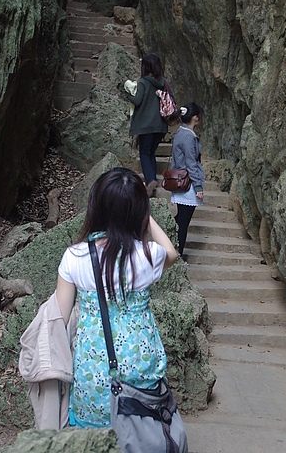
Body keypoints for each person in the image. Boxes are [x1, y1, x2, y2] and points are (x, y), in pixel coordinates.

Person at [56, 167, 178, 429]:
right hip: (141, 365)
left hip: (93, 369)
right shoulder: (148, 255)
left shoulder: (74, 257)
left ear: (96, 208)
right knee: (141, 429)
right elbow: (172, 253)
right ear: (139, 212)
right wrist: (146, 215)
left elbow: (60, 318)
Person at [125, 54, 176, 197]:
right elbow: (172, 99)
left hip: (145, 126)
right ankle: (152, 179)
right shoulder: (164, 82)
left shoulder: (143, 82)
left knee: (144, 154)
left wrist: (127, 94)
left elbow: (137, 100)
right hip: (160, 126)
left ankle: (150, 182)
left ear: (145, 66)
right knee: (150, 152)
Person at [170, 103, 205, 256]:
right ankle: (177, 255)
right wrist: (198, 187)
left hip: (180, 181)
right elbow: (191, 163)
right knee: (183, 223)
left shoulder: (181, 131)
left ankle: (173, 251)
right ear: (196, 117)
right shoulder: (189, 136)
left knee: (180, 220)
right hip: (187, 183)